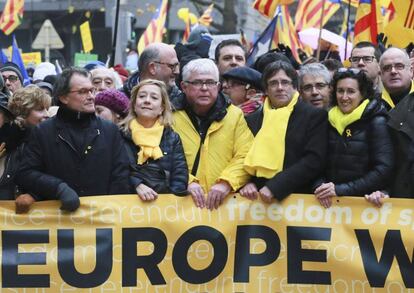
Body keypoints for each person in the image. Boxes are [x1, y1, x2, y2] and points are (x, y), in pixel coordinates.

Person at [16, 67, 129, 212]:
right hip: (59, 222)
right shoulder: (43, 131)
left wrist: (110, 209)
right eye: (82, 92)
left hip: (103, 222)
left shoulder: (109, 130)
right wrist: (58, 188)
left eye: (91, 90)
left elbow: (120, 176)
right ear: (64, 97)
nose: (91, 96)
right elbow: (26, 173)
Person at [240, 61, 328, 202]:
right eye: (274, 83)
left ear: (294, 87)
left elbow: (314, 160)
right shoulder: (251, 120)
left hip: (298, 200)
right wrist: (247, 182)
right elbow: (242, 156)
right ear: (266, 90)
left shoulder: (313, 116)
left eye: (285, 82)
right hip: (258, 200)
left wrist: (275, 187)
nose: (280, 88)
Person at [172, 58, 253, 210]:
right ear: (183, 86)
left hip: (224, 206)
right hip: (181, 205)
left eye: (210, 82)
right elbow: (162, 158)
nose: (204, 88)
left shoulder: (234, 115)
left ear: (218, 86)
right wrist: (186, 181)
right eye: (197, 82)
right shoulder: (169, 115)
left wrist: (226, 182)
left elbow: (246, 154)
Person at [313, 68, 394, 208]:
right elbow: (314, 160)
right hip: (327, 203)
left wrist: (341, 190)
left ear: (362, 94)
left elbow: (383, 169)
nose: (344, 97)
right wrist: (320, 187)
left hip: (361, 205)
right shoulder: (326, 119)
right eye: (340, 91)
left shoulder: (377, 121)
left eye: (351, 91)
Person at [120, 79, 188, 200]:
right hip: (127, 206)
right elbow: (116, 170)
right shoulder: (120, 134)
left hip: (163, 210)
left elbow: (180, 176)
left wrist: (170, 203)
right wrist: (136, 184)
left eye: (154, 98)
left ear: (162, 108)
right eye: (142, 96)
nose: (147, 100)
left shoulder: (172, 137)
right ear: (134, 105)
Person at [0, 86, 51, 212]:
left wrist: (34, 195)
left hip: (29, 218)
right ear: (22, 111)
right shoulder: (7, 141)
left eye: (47, 109)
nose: (46, 115)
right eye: (40, 109)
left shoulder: (46, 141)